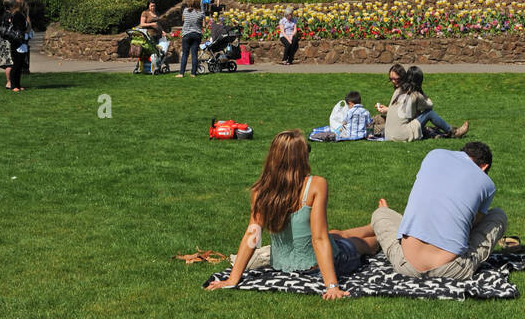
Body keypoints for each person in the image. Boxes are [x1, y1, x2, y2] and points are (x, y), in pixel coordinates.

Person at [207, 130, 380, 298]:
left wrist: (233, 279)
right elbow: (318, 239)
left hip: (282, 266)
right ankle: (384, 233)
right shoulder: (316, 185)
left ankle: (374, 225)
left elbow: (253, 234)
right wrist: (332, 286)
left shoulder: (261, 191)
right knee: (364, 244)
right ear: (300, 158)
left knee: (336, 234)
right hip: (316, 268)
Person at [371, 142, 508, 281]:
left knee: (381, 213)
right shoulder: (488, 184)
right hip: (452, 270)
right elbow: (474, 225)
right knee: (498, 215)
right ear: (484, 167)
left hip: (406, 265)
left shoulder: (434, 154)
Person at [402, 66, 469, 139]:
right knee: (430, 113)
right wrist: (422, 92)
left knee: (428, 127)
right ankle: (454, 132)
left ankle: (439, 135)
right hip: (406, 129)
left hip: (401, 127)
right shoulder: (415, 94)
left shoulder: (401, 91)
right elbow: (430, 105)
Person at [6, 0, 30, 91]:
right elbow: (20, 28)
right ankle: (13, 85)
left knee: (19, 65)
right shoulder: (17, 15)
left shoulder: (20, 14)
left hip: (21, 42)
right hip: (17, 42)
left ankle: (17, 85)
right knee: (16, 65)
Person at [178, 0, 204, 76]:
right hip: (197, 34)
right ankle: (193, 73)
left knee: (185, 54)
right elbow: (204, 25)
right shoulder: (201, 13)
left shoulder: (185, 11)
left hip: (186, 34)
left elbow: (183, 19)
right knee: (194, 54)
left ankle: (181, 73)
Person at [0, 0, 16, 87]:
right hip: (9, 41)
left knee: (8, 62)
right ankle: (9, 82)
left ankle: (9, 82)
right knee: (10, 63)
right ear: (11, 6)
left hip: (4, 41)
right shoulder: (10, 16)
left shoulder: (3, 15)